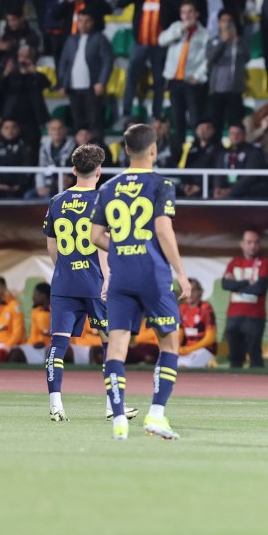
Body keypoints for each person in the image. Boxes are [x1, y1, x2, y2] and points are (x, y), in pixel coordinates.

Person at [89, 124, 192, 440]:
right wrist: (181, 273)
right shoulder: (161, 184)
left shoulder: (108, 187)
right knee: (169, 342)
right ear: (153, 150)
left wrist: (121, 248)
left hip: (121, 277)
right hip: (153, 274)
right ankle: (156, 415)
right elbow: (163, 230)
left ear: (124, 150)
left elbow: (95, 236)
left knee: (116, 347)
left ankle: (119, 418)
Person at [41, 144, 137, 422]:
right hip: (97, 284)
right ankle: (112, 405)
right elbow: (107, 243)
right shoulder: (104, 199)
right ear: (99, 171)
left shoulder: (57, 201)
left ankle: (56, 405)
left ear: (73, 170)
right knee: (111, 343)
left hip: (64, 283)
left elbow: (51, 246)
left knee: (58, 344)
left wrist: (65, 272)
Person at [159, 0, 209, 157]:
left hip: (192, 81)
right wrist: (181, 29)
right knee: (177, 117)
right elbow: (161, 40)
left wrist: (198, 76)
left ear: (197, 14)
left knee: (195, 117)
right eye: (184, 12)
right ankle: (178, 151)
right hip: (174, 80)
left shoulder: (204, 34)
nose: (187, 16)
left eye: (190, 12)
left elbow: (207, 59)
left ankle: (196, 150)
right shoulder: (176, 27)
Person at [222, 229, 268, 368]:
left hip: (255, 316)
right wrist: (245, 283)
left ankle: (257, 388)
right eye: (249, 242)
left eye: (256, 242)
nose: (253, 246)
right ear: (242, 244)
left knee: (254, 354)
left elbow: (259, 288)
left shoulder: (264, 262)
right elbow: (225, 284)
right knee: (234, 357)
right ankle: (234, 388)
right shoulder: (234, 262)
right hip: (233, 315)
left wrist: (236, 285)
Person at [56, 11, 113, 134]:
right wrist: (62, 83)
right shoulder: (71, 39)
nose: (83, 24)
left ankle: (96, 151)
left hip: (92, 88)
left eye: (87, 21)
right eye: (80, 21)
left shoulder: (99, 39)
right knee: (78, 124)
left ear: (92, 22)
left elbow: (107, 61)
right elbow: (63, 62)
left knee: (94, 123)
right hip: (73, 88)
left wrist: (101, 82)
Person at [177, 279, 217, 368]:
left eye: (193, 290)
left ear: (199, 292)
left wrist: (189, 349)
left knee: (188, 366)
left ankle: (209, 363)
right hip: (187, 350)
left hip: (205, 349)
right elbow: (180, 332)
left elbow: (210, 338)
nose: (189, 294)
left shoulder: (206, 308)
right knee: (169, 365)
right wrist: (177, 348)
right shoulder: (181, 309)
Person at [9, 283, 52, 364]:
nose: (32, 298)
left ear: (43, 296)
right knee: (15, 352)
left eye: (35, 295)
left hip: (50, 348)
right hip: (34, 347)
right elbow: (34, 335)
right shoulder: (35, 312)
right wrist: (32, 345)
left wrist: (46, 343)